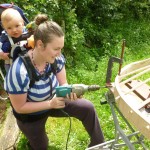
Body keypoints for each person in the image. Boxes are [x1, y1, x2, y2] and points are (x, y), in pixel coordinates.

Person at [4, 14, 104, 149]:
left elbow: (63, 83)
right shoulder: (19, 72)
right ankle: (33, 142)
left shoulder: (56, 58)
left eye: (61, 48)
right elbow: (20, 107)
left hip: (55, 100)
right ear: (40, 45)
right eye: (56, 49)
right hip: (31, 115)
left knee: (87, 108)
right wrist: (50, 104)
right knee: (41, 146)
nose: (59, 53)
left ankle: (100, 145)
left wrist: (69, 91)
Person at [0, 8, 32, 72]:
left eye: (17, 26)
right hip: (12, 65)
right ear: (4, 28)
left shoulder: (28, 31)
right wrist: (1, 54)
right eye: (9, 28)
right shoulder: (5, 37)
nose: (14, 30)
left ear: (23, 24)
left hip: (30, 61)